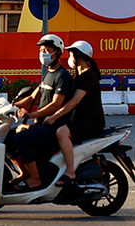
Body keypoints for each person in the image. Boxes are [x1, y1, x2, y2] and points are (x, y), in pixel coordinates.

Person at [11, 33, 74, 190]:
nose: (43, 53)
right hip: (41, 124)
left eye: (47, 50)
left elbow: (55, 104)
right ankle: (25, 172)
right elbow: (33, 97)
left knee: (21, 139)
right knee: (8, 137)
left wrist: (31, 115)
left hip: (53, 126)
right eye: (41, 50)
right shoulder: (47, 74)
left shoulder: (62, 76)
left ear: (57, 52)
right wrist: (11, 106)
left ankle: (35, 179)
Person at [49, 41, 105, 184]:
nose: (70, 57)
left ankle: (70, 172)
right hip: (80, 119)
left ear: (78, 56)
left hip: (91, 122)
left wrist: (55, 116)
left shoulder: (87, 76)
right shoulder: (78, 75)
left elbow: (74, 101)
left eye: (72, 54)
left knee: (62, 132)